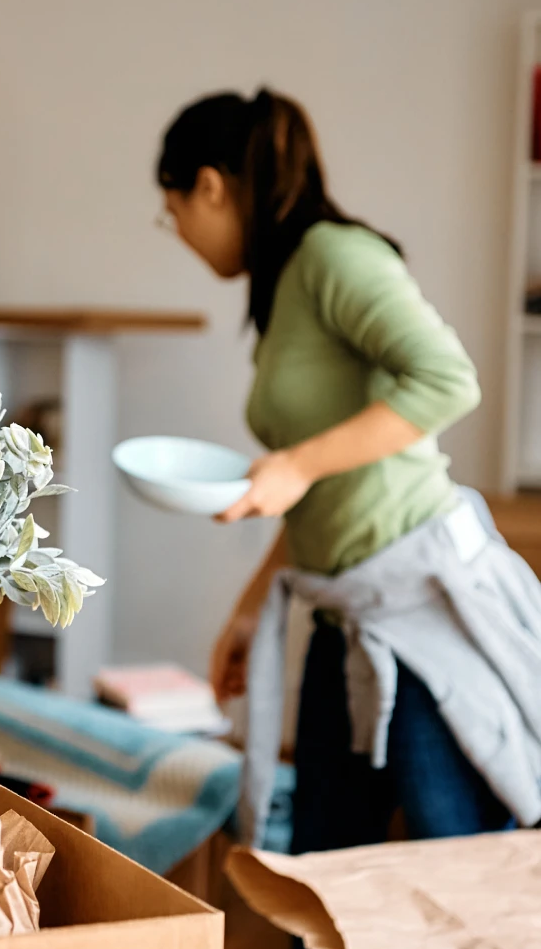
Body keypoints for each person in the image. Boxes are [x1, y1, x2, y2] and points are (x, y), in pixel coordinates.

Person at [156, 88, 531, 855]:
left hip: (420, 613)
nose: (181, 234)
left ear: (211, 186)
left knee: (451, 864)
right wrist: (253, 605)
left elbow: (448, 380)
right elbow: (321, 486)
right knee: (323, 875)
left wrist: (294, 461)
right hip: (340, 613)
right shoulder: (284, 286)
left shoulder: (334, 255)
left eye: (174, 212)